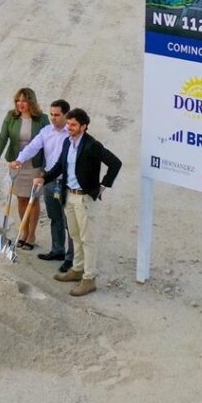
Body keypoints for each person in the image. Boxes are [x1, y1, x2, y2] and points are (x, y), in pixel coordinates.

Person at [33, 108, 122, 297]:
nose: (69, 127)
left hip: (85, 198)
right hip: (69, 196)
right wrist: (44, 178)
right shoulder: (68, 142)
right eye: (68, 124)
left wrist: (103, 186)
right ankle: (77, 269)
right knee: (75, 235)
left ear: (84, 126)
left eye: (73, 124)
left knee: (87, 239)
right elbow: (59, 166)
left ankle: (89, 279)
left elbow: (115, 163)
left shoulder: (92, 145)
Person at [10, 99, 72, 266]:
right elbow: (32, 147)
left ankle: (71, 258)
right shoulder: (46, 131)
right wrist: (20, 160)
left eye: (57, 115)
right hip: (50, 180)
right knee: (55, 217)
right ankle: (58, 250)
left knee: (70, 221)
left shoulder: (72, 132)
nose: (53, 118)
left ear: (66, 115)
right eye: (51, 114)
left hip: (68, 183)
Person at [0, 88, 49, 250]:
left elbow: (48, 143)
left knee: (33, 199)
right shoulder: (11, 116)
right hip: (16, 164)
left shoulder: (42, 119)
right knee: (22, 198)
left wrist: (45, 168)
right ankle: (24, 232)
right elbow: (3, 137)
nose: (20, 104)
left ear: (31, 102)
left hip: (35, 165)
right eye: (18, 100)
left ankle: (32, 235)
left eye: (24, 100)